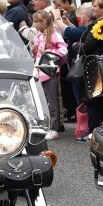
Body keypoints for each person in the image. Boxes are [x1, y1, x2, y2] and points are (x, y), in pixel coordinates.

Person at [71, 0, 103, 139]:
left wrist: (75, 45)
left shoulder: (102, 24)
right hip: (99, 64)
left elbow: (88, 46)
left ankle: (93, 130)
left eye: (95, 6)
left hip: (95, 65)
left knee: (93, 99)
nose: (93, 9)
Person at [31, 10, 67, 140]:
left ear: (44, 22)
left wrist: (48, 51)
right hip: (40, 70)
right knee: (42, 100)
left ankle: (54, 128)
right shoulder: (38, 36)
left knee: (52, 101)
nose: (34, 24)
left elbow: (63, 50)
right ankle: (45, 126)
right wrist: (34, 52)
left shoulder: (54, 34)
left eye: (36, 21)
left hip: (50, 71)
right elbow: (39, 56)